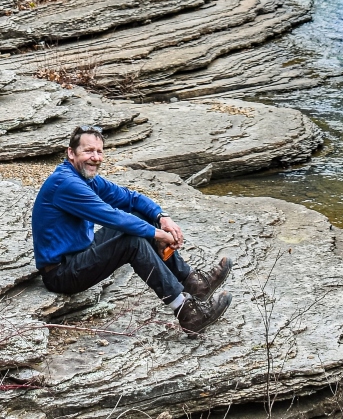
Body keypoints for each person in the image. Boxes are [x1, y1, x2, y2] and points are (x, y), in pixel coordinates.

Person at [31, 124, 232, 334]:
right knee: (133, 242)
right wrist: (158, 234)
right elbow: (114, 218)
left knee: (142, 216)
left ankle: (194, 282)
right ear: (71, 153)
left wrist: (162, 217)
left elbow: (130, 198)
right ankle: (188, 313)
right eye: (88, 151)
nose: (95, 157)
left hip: (82, 253)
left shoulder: (86, 179)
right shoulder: (66, 183)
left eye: (99, 152)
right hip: (62, 273)